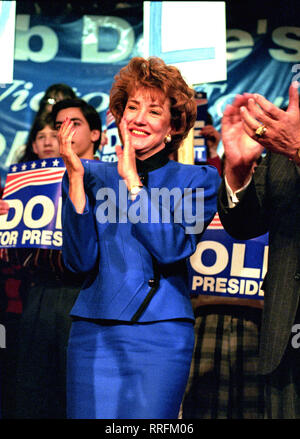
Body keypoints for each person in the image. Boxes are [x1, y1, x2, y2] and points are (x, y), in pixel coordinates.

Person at [58, 56, 220, 419]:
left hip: (160, 334)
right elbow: (78, 261)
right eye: (132, 107)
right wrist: (74, 180)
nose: (139, 118)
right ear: (118, 114)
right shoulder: (90, 174)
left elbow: (172, 249)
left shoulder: (198, 180)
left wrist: (133, 183)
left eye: (154, 110)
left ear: (173, 126)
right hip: (93, 332)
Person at [10, 101, 101, 419]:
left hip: (87, 298)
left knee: (78, 398)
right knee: (33, 397)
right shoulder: (32, 183)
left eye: (73, 123)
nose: (64, 131)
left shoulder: (109, 180)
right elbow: (14, 256)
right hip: (38, 296)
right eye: (58, 124)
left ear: (96, 134)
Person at [217, 81, 300, 418]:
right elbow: (244, 226)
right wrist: (238, 170)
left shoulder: (292, 139)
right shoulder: (286, 133)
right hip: (286, 337)